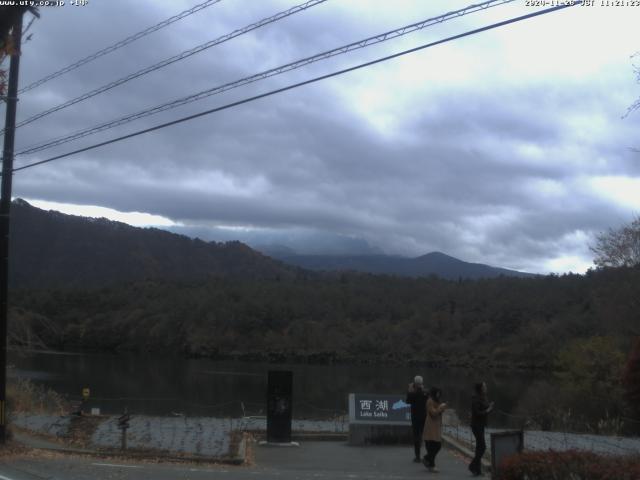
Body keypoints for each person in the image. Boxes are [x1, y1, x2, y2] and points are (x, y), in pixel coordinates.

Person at [469, 382, 494, 477]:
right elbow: (477, 413)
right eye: (484, 386)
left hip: (481, 425)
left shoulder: (483, 397)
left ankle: (477, 470)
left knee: (479, 447)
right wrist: (487, 410)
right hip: (476, 425)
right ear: (480, 389)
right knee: (483, 447)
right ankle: (472, 466)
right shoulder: (475, 399)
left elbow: (485, 408)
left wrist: (490, 407)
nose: (486, 388)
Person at [423, 386, 447, 473]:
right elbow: (433, 413)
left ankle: (428, 460)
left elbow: (437, 412)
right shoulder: (430, 401)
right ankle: (431, 464)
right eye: (437, 393)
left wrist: (441, 408)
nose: (439, 395)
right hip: (430, 426)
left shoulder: (437, 401)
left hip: (436, 426)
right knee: (434, 445)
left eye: (439, 393)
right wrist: (440, 408)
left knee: (437, 445)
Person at [406, 375, 428, 462]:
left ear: (414, 383)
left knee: (416, 436)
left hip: (415, 417)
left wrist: (410, 389)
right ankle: (428, 455)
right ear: (422, 383)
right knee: (425, 436)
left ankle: (417, 456)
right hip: (424, 417)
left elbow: (408, 401)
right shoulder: (426, 393)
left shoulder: (412, 394)